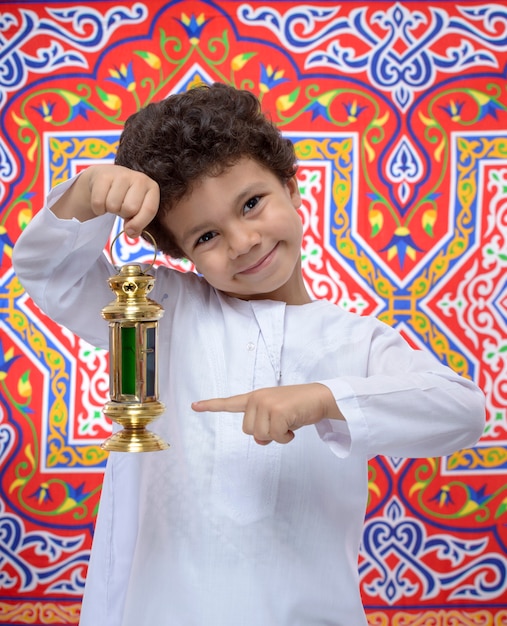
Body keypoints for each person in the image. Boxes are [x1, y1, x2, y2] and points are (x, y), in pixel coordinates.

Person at [12, 82, 485, 626]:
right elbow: (50, 272)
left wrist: (322, 399)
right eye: (207, 236)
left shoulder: (358, 342)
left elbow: (461, 412)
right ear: (180, 253)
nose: (242, 242)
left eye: (252, 204)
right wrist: (88, 192)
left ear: (291, 186)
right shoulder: (160, 309)